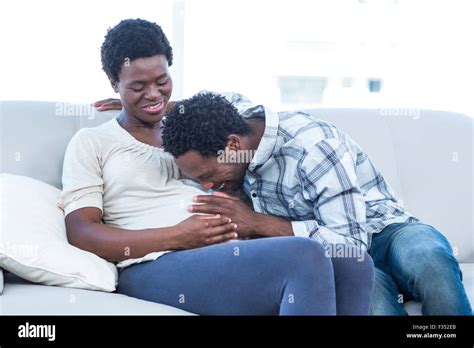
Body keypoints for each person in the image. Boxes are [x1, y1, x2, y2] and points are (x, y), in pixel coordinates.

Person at [58, 18, 374, 315]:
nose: (153, 94)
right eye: (138, 87)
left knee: (353, 262)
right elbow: (82, 232)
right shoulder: (92, 142)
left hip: (232, 253)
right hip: (154, 262)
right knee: (304, 255)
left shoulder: (193, 128)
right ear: (115, 83)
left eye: (162, 81)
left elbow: (235, 115)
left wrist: (162, 106)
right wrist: (176, 236)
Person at [158, 91, 472, 316]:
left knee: (428, 261)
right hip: (337, 257)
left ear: (233, 146)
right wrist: (147, 107)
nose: (208, 187)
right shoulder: (227, 117)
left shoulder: (314, 149)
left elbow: (351, 242)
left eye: (210, 175)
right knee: (372, 303)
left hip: (386, 229)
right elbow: (199, 105)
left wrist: (257, 222)